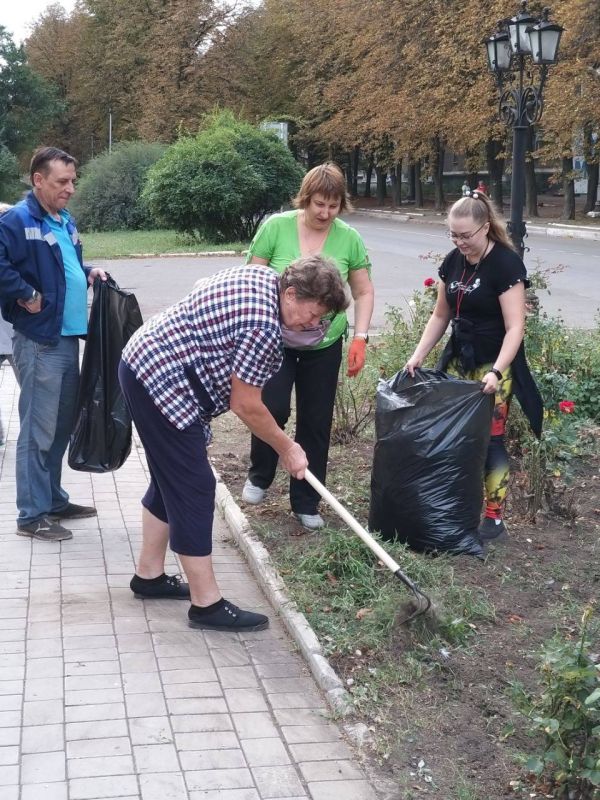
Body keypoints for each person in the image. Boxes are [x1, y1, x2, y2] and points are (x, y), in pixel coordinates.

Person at [118, 256, 349, 632]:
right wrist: (287, 447)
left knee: (170, 478)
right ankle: (206, 604)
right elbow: (246, 404)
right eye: (313, 314)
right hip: (161, 379)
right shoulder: (263, 328)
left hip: (145, 360)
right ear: (291, 294)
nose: (313, 324)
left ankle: (149, 576)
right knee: (194, 486)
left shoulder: (264, 278)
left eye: (321, 319)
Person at [241, 162, 375, 530]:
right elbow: (251, 278)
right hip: (276, 341)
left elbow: (363, 290)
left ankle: (306, 500)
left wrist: (360, 337)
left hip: (323, 345)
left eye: (333, 206)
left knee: (316, 421)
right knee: (272, 406)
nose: (325, 213)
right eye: (319, 204)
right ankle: (260, 474)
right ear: (305, 198)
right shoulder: (276, 227)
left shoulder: (349, 238)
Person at [405, 191, 542, 542]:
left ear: (485, 227)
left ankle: (494, 518)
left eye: (466, 235)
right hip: (460, 359)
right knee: (456, 436)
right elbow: (440, 315)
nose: (460, 242)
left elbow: (515, 328)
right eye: (453, 235)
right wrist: (418, 355)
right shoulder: (453, 261)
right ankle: (457, 503)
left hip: (495, 364)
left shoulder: (506, 265)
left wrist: (497, 371)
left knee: (490, 439)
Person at [0, 146, 107, 541]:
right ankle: (31, 515)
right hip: (39, 340)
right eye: (62, 181)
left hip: (66, 338)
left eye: (73, 181)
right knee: (37, 430)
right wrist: (25, 293)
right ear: (38, 180)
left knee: (61, 427)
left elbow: (65, 266)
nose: (70, 189)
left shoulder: (64, 219)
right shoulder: (16, 219)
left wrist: (88, 272)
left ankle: (53, 500)